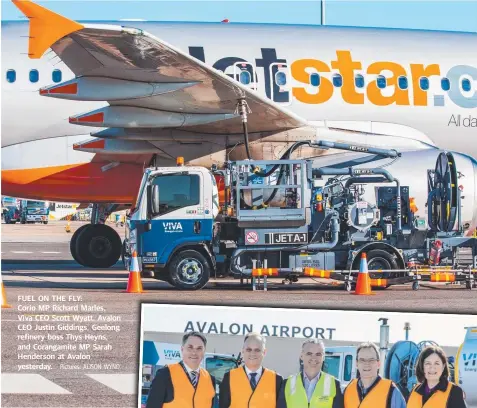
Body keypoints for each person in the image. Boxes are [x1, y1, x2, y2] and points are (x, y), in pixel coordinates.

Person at [146, 332, 216, 408]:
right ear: (182, 349)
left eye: (199, 348)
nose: (194, 352)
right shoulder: (165, 374)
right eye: (190, 347)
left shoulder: (210, 379)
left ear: (204, 352)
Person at [219, 332, 283, 407]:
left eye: (257, 350)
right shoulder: (229, 377)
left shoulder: (276, 379)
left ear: (264, 352)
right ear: (243, 351)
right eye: (249, 349)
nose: (252, 353)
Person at [278, 339, 344, 408]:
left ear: (323, 357)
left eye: (318, 354)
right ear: (301, 356)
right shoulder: (287, 383)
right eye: (309, 354)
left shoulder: (334, 384)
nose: (314, 358)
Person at [344, 342, 406, 408]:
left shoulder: (391, 392)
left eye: (371, 360)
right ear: (356, 364)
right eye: (362, 360)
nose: (367, 364)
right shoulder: (348, 390)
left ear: (378, 363)